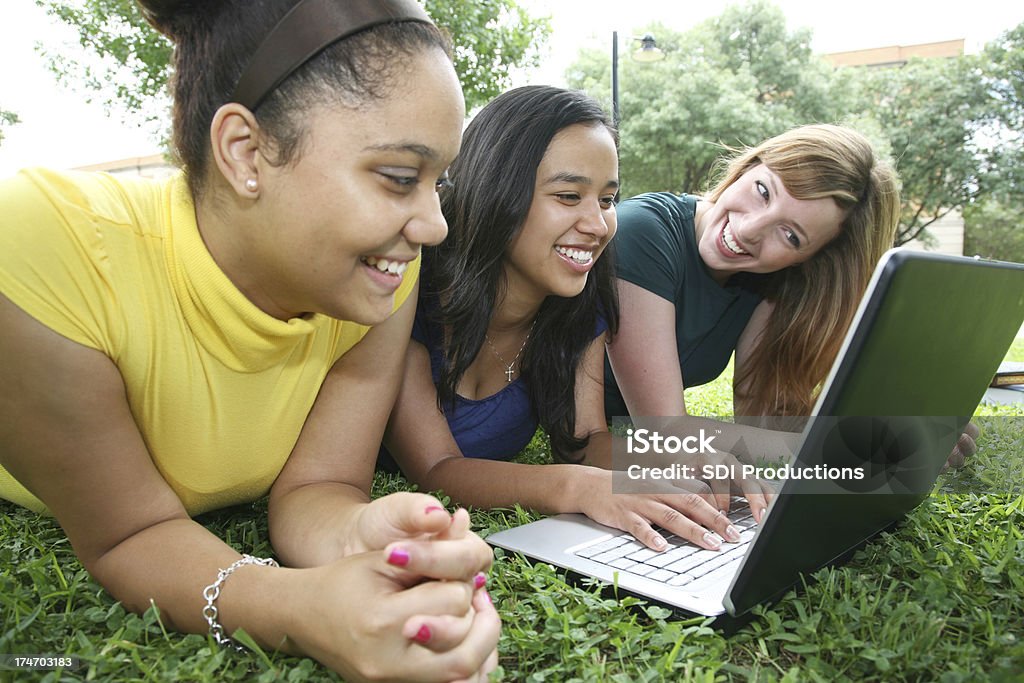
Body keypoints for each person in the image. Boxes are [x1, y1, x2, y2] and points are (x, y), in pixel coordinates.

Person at [0, 1, 499, 680]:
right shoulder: (48, 243)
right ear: (246, 151)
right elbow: (128, 534)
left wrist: (358, 536)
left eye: (440, 182)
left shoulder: (379, 280)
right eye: (401, 178)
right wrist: (303, 609)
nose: (435, 225)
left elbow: (321, 483)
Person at [383, 85, 774, 555]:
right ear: (495, 193)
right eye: (569, 195)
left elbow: (583, 440)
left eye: (607, 200)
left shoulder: (577, 309)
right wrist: (578, 488)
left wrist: (675, 459)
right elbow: (437, 469)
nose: (598, 223)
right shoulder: (410, 297)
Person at [604, 123, 978, 463]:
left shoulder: (770, 275)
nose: (751, 229)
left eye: (791, 235)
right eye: (763, 191)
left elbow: (764, 426)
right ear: (750, 164)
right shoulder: (643, 233)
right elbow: (663, 430)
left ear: (810, 259)